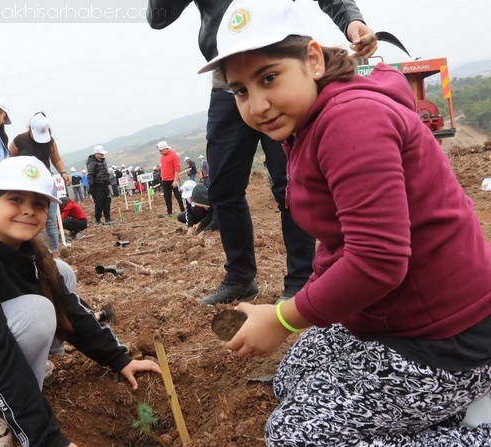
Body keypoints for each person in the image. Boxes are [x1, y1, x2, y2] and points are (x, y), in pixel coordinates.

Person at [202, 0, 491, 445]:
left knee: (295, 436)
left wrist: (284, 316)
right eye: (240, 90)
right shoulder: (306, 125)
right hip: (396, 315)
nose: (257, 105)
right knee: (291, 380)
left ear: (313, 59)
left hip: (448, 339)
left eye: (269, 77)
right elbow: (340, 240)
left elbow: (377, 260)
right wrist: (298, 309)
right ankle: (448, 416)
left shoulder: (350, 121)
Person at [0, 156, 161, 447]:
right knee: (37, 311)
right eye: (15, 199)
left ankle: (23, 377)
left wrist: (118, 358)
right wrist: (48, 439)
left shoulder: (25, 250)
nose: (28, 211)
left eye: (38, 204)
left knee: (59, 272)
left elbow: (70, 309)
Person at [147, 0, 376, 305]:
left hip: (277, 66)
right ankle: (240, 277)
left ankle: (301, 279)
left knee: (291, 184)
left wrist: (350, 19)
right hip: (230, 80)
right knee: (224, 187)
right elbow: (158, 18)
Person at [9, 112, 72, 256]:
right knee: (29, 218)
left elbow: (56, 160)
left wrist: (63, 173)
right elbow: (10, 159)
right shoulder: (19, 140)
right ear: (31, 129)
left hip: (46, 183)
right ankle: (33, 254)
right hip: (26, 185)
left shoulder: (50, 141)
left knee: (50, 219)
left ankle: (54, 253)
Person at [86, 145, 113, 226]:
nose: (102, 155)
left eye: (103, 154)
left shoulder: (103, 161)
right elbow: (90, 174)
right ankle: (97, 220)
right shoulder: (91, 162)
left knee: (107, 201)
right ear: (96, 153)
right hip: (96, 186)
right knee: (99, 203)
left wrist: (108, 182)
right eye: (101, 154)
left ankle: (108, 219)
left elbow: (106, 172)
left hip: (104, 184)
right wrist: (91, 186)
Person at [157, 141, 184, 216]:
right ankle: (169, 212)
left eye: (161, 151)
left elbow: (177, 169)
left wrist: (175, 180)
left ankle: (183, 211)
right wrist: (162, 178)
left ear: (166, 148)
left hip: (174, 179)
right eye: (159, 151)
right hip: (165, 180)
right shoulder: (162, 157)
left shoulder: (173, 155)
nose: (160, 152)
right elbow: (163, 168)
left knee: (178, 196)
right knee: (167, 196)